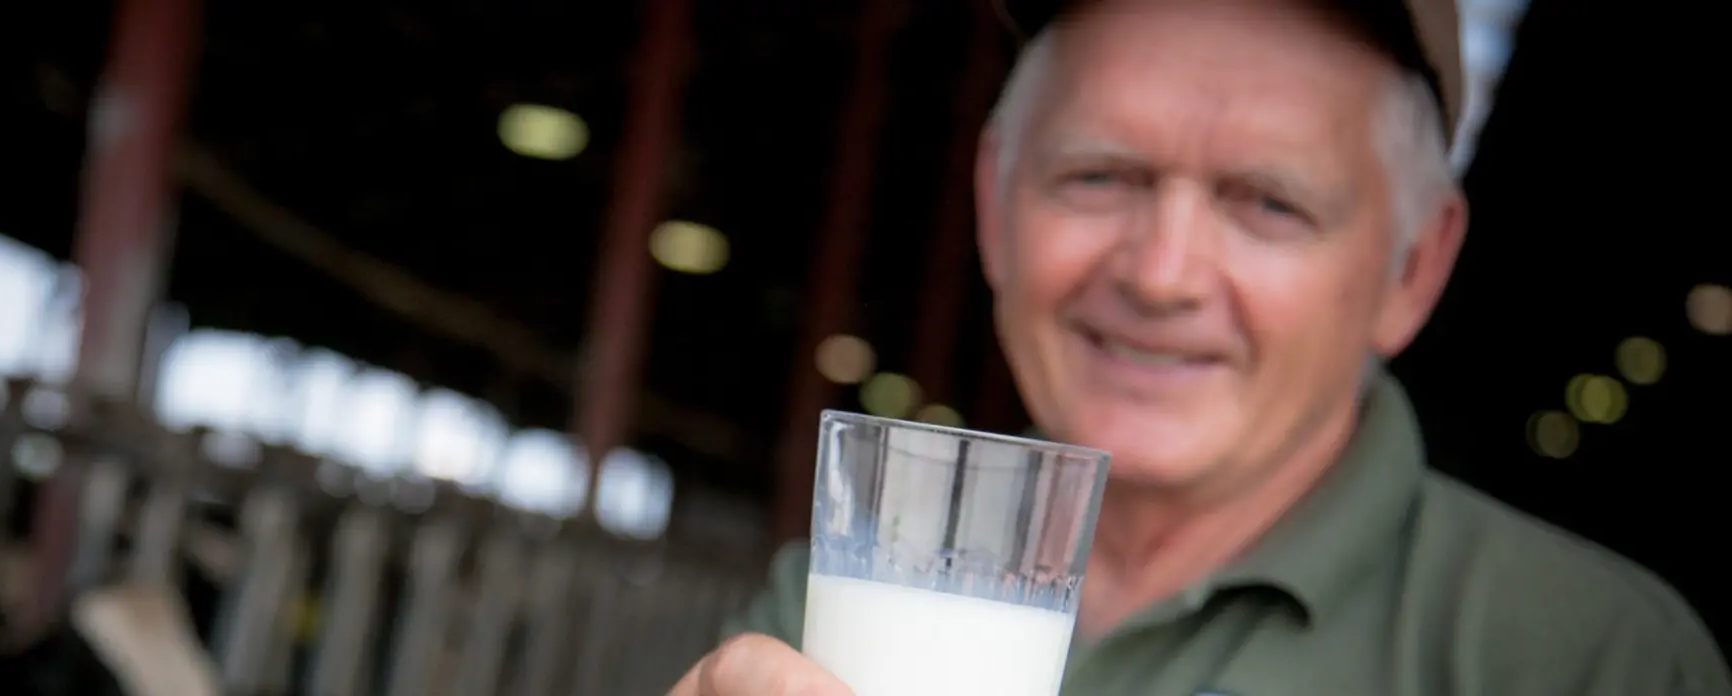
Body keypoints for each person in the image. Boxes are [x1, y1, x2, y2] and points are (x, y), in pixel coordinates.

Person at [667, 0, 1732, 694]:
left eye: (1267, 203)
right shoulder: (830, 595)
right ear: (993, 201)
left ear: (1411, 271)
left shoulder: (1590, 660)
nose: (1160, 272)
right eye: (1098, 176)